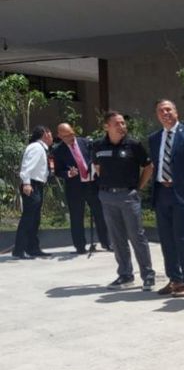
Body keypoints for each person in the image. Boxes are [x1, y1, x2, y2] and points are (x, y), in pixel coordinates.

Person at [148, 99, 184, 298]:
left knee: (182, 237)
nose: (165, 113)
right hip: (161, 192)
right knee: (166, 239)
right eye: (161, 111)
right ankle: (176, 279)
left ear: (176, 112)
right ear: (157, 115)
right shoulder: (154, 138)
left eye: (168, 109)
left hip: (182, 194)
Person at [92, 111, 156, 290]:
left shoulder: (133, 145)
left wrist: (138, 187)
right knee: (117, 237)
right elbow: (97, 167)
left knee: (137, 236)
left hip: (128, 196)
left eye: (123, 123)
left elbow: (148, 167)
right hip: (107, 197)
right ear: (107, 127)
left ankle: (148, 275)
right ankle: (125, 275)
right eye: (117, 124)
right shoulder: (98, 146)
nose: (122, 126)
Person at [52, 123, 110, 254]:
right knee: (77, 217)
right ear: (60, 136)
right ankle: (80, 246)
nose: (71, 137)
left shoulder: (86, 142)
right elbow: (58, 171)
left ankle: (106, 242)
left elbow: (96, 158)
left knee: (100, 214)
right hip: (75, 187)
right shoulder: (58, 151)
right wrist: (68, 173)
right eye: (67, 136)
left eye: (72, 133)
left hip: (92, 183)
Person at [13, 126, 53, 259]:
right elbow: (26, 166)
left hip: (37, 185)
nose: (52, 137)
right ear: (45, 134)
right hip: (31, 185)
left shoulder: (41, 148)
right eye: (50, 133)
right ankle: (19, 249)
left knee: (35, 219)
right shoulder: (36, 147)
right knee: (28, 218)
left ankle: (32, 248)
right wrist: (27, 183)